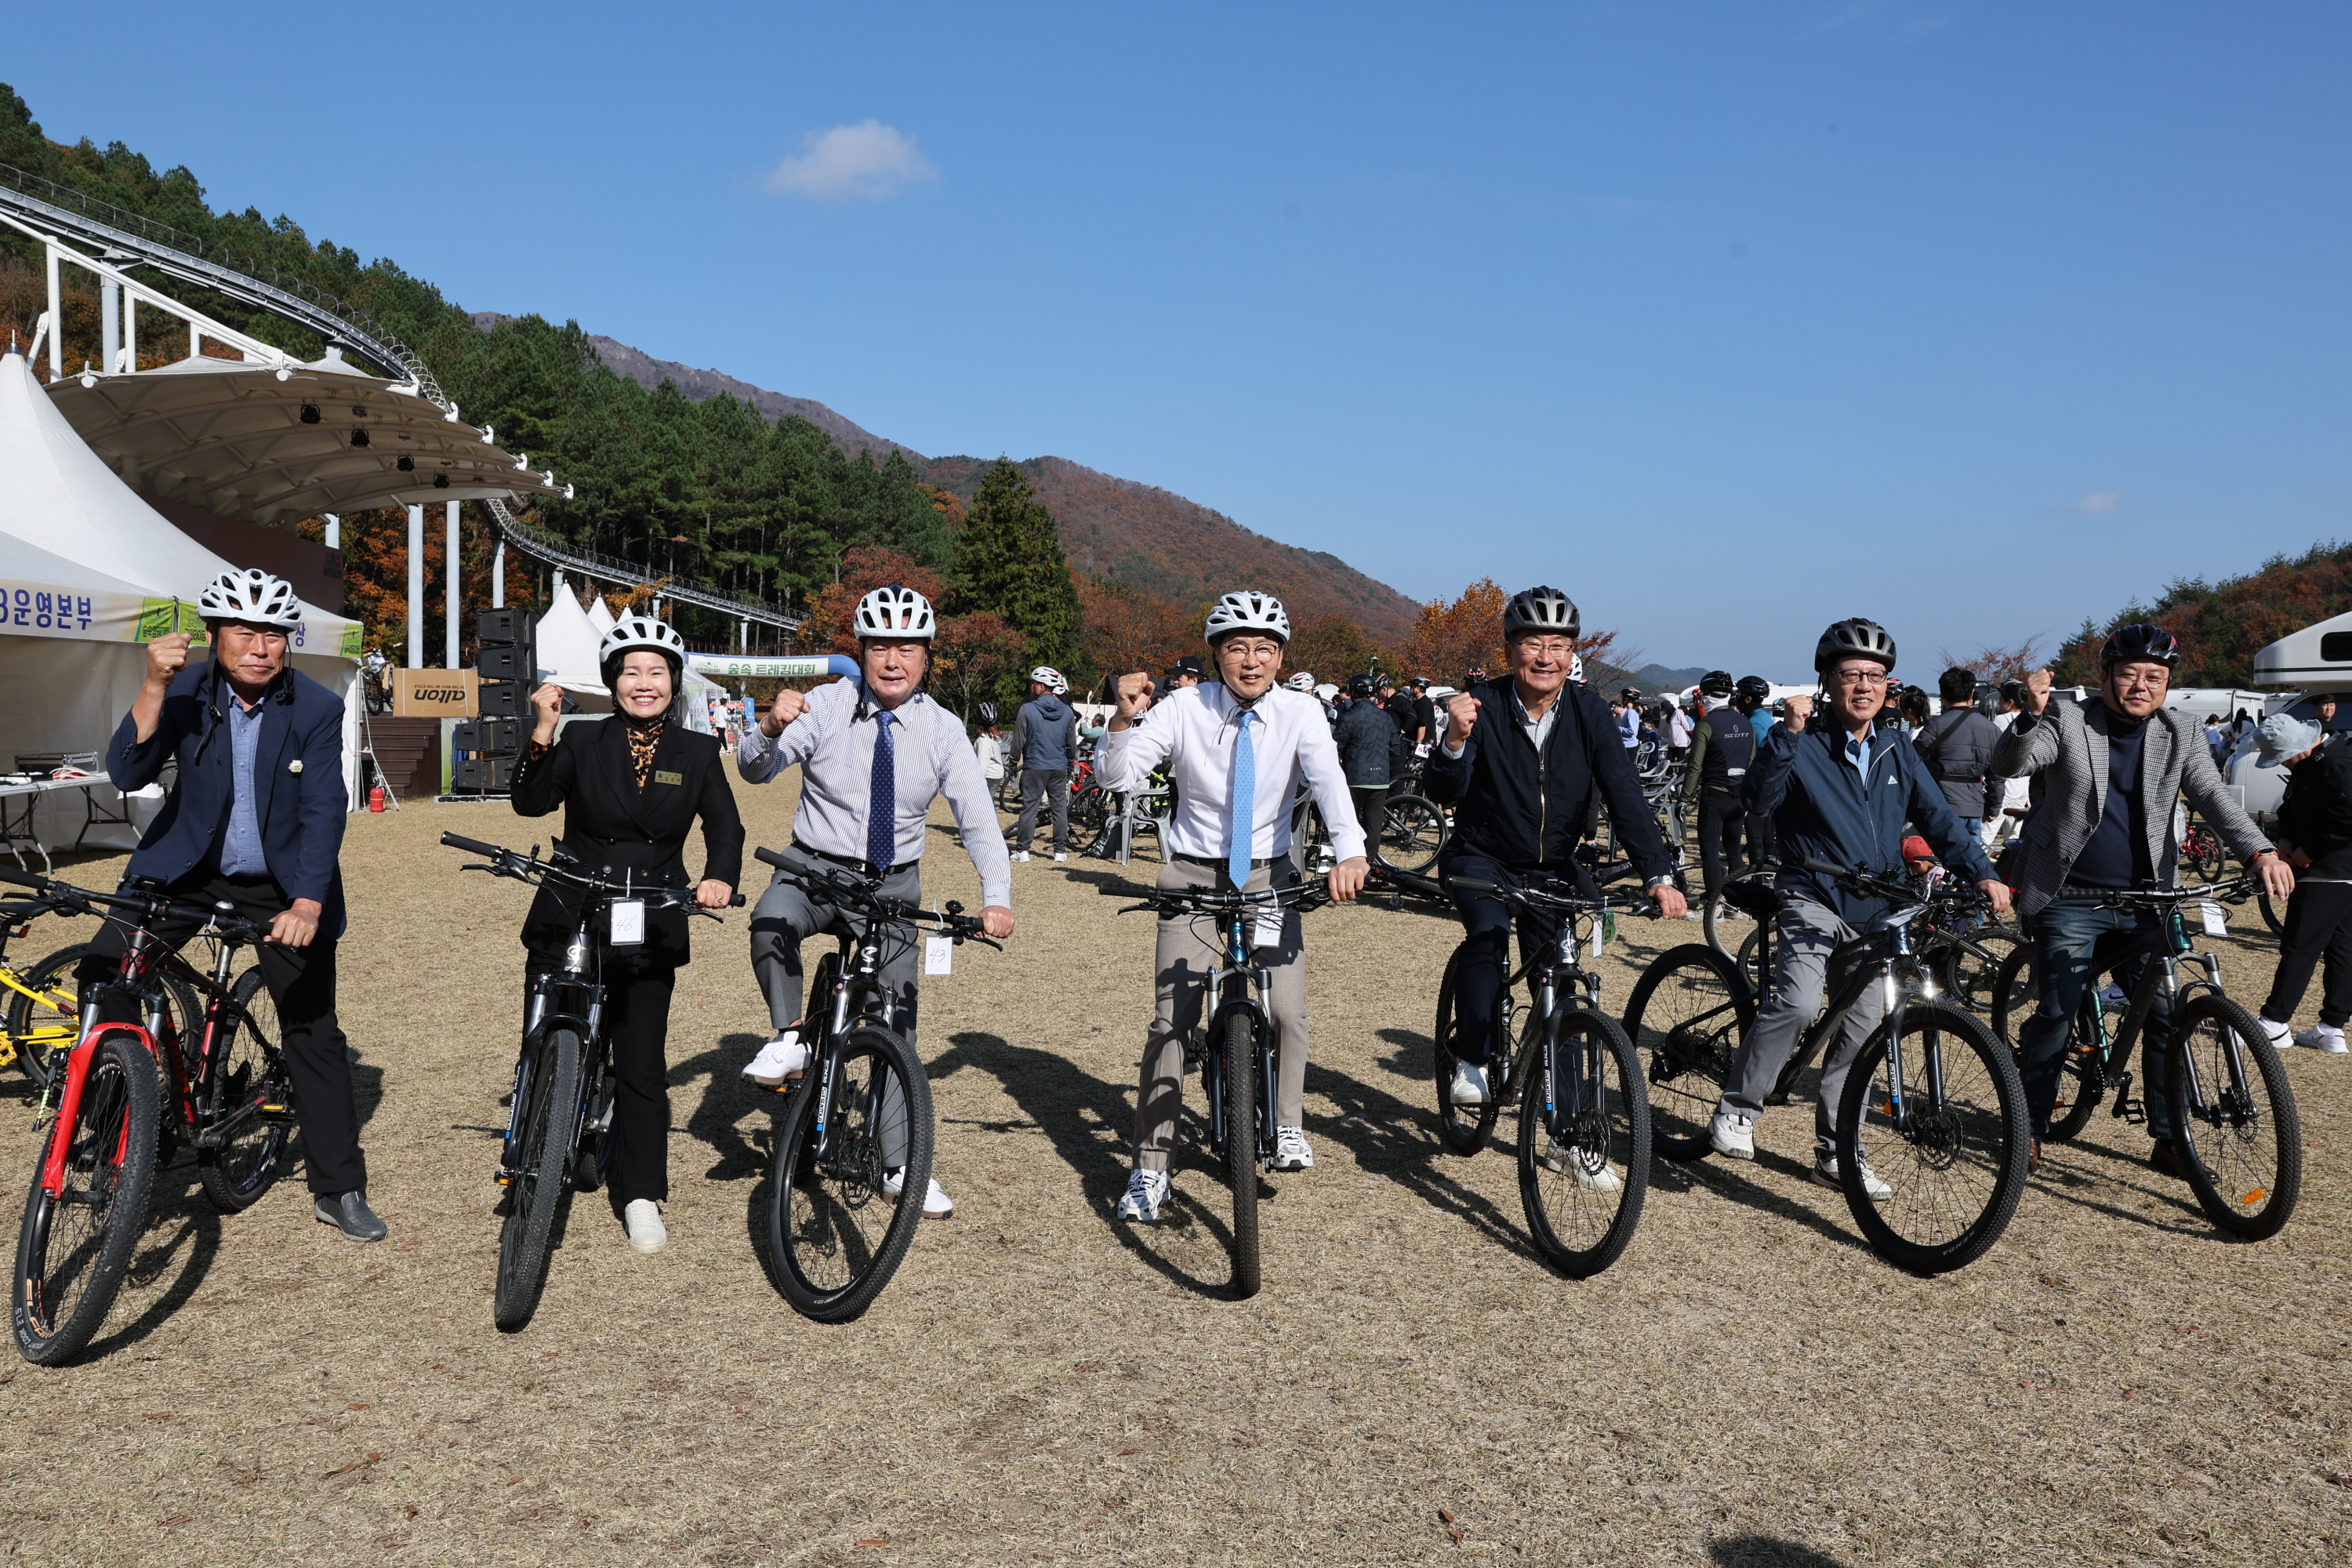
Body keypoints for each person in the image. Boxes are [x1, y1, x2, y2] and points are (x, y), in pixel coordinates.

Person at [87, 568, 386, 1242]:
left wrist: (308, 902)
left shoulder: (314, 707)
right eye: (244, 632)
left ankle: (338, 1187)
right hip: (184, 871)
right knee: (105, 974)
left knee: (311, 1027)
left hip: (279, 885)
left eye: (274, 634)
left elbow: (323, 808)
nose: (260, 646)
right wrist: (155, 684)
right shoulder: (187, 688)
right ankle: (111, 1133)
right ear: (213, 636)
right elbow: (128, 772)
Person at [735, 585, 1015, 1220]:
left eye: (907, 647)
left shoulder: (945, 730)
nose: (893, 659)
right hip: (814, 867)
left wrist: (995, 898)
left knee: (898, 1028)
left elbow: (978, 821)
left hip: (891, 885)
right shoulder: (827, 706)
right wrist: (771, 726)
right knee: (771, 918)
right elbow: (757, 770)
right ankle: (789, 1038)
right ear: (860, 652)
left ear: (926, 658)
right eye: (880, 645)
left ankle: (897, 1167)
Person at [1706, 616, 2011, 1195]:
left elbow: (1940, 820)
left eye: (1876, 676)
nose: (1864, 686)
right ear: (1827, 680)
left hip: (1877, 907)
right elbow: (1761, 802)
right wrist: (1785, 737)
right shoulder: (1804, 740)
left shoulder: (1897, 745)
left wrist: (1983, 872)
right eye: (1851, 675)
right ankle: (1739, 1107)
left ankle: (1838, 1152)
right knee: (1796, 1005)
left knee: (1860, 1031)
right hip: (1814, 894)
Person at [1093, 590, 1367, 1221]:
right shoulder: (1182, 707)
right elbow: (1118, 776)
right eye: (1238, 648)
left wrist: (1350, 852)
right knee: (1171, 1025)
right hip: (1192, 871)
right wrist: (1122, 722)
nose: (1252, 661)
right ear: (1217, 654)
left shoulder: (1302, 712)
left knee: (1291, 1013)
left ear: (1279, 657)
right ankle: (1150, 1169)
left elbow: (1329, 782)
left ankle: (1289, 1123)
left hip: (1269, 874)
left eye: (1265, 649)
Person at [1994, 629, 2291, 1178]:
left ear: (2167, 684)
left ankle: (2168, 1135)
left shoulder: (2180, 731)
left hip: (2146, 898)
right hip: (2068, 894)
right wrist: (2031, 717)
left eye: (2154, 677)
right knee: (2058, 1012)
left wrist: (2259, 851)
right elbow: (2014, 764)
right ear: (2106, 674)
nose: (2141, 685)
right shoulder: (2069, 720)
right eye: (2129, 673)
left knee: (2164, 1016)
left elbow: (2212, 795)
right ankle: (2028, 1126)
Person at [510, 613, 743, 1254]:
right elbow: (529, 804)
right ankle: (532, 1141)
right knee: (543, 1032)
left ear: (674, 681)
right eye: (632, 672)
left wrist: (719, 876)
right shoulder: (583, 738)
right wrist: (543, 728)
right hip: (574, 900)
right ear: (614, 681)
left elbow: (726, 829)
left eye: (657, 672)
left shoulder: (697, 752)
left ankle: (641, 1193)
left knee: (641, 1063)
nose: (645, 683)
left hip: (652, 909)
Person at [1424, 586, 1687, 1109]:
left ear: (1573, 655)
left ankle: (1569, 1132)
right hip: (1483, 857)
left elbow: (1625, 796)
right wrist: (1453, 742)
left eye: (1559, 645)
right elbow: (1443, 792)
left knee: (1565, 986)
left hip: (1552, 866)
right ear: (1509, 651)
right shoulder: (1483, 708)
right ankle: (1474, 1058)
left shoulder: (1591, 712)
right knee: (1489, 934)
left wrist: (1658, 873)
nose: (1546, 656)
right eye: (1532, 643)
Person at [2253, 713, 2352, 1054]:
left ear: (2297, 750)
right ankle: (2332, 1027)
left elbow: (2347, 816)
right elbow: (2292, 808)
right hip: (2337, 872)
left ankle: (2274, 1023)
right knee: (2342, 949)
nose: (2284, 764)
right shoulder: (2322, 761)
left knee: (2299, 947)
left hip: (2327, 872)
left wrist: (2309, 850)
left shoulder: (2335, 764)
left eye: (2283, 757)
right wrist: (2285, 840)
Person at [1677, 670, 1754, 902]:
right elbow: (1751, 760)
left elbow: (1695, 767)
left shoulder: (1706, 725)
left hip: (1715, 796)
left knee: (1710, 853)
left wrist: (1684, 798)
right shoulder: (1745, 722)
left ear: (1707, 696)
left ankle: (1715, 906)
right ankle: (1738, 903)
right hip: (1740, 796)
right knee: (1733, 851)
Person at [1912, 666, 2007, 842]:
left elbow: (1912, 761)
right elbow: (1997, 776)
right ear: (1972, 694)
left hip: (1941, 805)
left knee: (1939, 865)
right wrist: (1993, 807)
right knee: (1971, 865)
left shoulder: (1936, 725)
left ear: (1943, 696)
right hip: (1974, 806)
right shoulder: (1992, 729)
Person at [1009, 666, 1077, 863]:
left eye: (1032, 683)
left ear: (1040, 686)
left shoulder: (1027, 709)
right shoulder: (1067, 711)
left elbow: (1018, 741)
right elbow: (1071, 742)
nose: (1030, 687)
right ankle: (1059, 851)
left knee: (1030, 808)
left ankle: (1023, 851)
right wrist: (1070, 762)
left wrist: (1013, 761)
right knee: (1059, 809)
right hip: (1059, 766)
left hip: (1035, 765)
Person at [1334, 672, 1393, 857]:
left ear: (1353, 691)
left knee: (1350, 823)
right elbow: (1396, 747)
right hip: (1380, 778)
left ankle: (1351, 860)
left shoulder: (1349, 717)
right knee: (1373, 825)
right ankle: (1369, 863)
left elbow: (1337, 745)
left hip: (1355, 776)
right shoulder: (1385, 717)